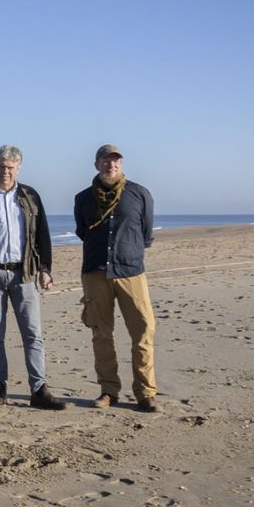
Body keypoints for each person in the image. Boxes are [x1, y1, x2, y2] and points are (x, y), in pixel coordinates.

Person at [0, 145, 66, 410]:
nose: (5, 172)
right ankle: (0, 388)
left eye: (10, 167)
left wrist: (45, 269)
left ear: (18, 168)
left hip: (25, 273)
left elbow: (41, 235)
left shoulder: (30, 196)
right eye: (1, 167)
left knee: (33, 334)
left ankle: (39, 389)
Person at [74, 144, 159, 412]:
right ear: (96, 164)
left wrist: (126, 252)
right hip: (95, 273)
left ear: (121, 164)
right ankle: (109, 391)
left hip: (130, 271)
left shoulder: (139, 193)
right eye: (106, 161)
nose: (111, 165)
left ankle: (146, 393)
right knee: (101, 334)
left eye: (116, 161)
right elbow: (82, 231)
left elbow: (145, 234)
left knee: (143, 331)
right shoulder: (84, 198)